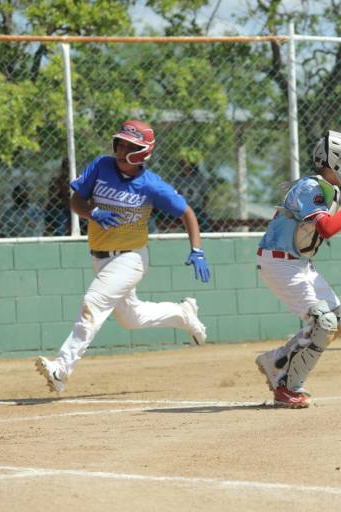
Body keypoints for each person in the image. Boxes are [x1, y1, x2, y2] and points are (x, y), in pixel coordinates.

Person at [35, 120, 211, 393]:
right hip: (101, 257)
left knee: (92, 303)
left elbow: (186, 213)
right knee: (132, 318)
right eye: (120, 143)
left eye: (130, 146)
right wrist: (92, 212)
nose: (121, 150)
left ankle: (62, 368)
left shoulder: (151, 185)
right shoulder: (101, 166)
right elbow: (76, 201)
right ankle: (182, 314)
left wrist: (196, 250)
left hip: (131, 258)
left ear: (143, 152)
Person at [254, 130, 341, 408]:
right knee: (324, 322)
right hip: (280, 263)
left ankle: (276, 360)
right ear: (330, 160)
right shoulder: (310, 187)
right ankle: (286, 386)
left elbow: (334, 224)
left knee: (339, 319)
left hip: (298, 263)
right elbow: (327, 229)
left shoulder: (326, 191)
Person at [171, 158, 211, 231]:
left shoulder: (199, 178)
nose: (185, 168)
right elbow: (174, 194)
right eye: (183, 166)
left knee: (204, 223)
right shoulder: (178, 179)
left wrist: (204, 208)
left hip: (197, 208)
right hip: (182, 207)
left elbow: (205, 195)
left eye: (188, 167)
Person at [43, 158, 71, 236]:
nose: (68, 169)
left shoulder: (78, 179)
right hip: (59, 208)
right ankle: (60, 239)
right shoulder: (56, 180)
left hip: (73, 207)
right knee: (61, 218)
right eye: (66, 167)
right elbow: (53, 199)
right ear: (63, 168)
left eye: (70, 167)